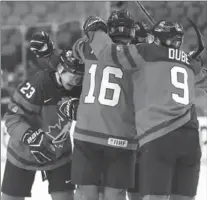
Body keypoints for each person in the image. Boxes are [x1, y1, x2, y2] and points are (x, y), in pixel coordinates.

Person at [82, 15, 201, 200]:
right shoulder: (191, 63)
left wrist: (95, 31)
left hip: (159, 135)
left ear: (156, 38)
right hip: (192, 138)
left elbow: (107, 53)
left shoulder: (145, 52)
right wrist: (187, 60)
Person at [1, 31, 84, 200]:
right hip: (23, 153)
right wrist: (30, 136)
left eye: (79, 78)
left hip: (59, 153)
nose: (75, 80)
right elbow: (11, 118)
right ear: (60, 69)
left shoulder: (78, 82)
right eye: (72, 75)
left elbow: (64, 60)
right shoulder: (38, 84)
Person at [70, 10, 138, 200]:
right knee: (115, 194)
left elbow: (75, 48)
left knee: (84, 193)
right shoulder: (138, 56)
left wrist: (95, 34)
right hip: (121, 136)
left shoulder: (88, 48)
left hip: (87, 132)